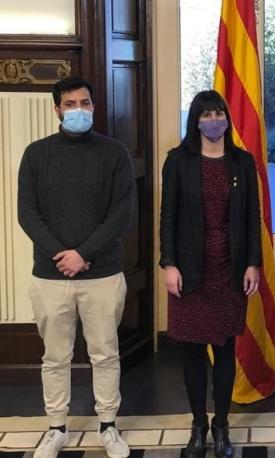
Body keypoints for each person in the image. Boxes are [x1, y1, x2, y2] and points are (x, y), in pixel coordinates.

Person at [17, 77, 134, 458]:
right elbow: (27, 214)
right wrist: (62, 255)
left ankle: (108, 426)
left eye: (86, 103)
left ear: (94, 107)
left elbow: (120, 213)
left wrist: (83, 253)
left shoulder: (114, 154)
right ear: (57, 110)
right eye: (71, 104)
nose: (79, 110)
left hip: (103, 274)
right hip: (50, 276)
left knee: (105, 353)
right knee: (55, 357)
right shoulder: (36, 154)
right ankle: (55, 427)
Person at [159, 90, 261, 458]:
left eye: (218, 113)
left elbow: (253, 217)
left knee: (224, 348)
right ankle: (198, 425)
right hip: (189, 271)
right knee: (191, 353)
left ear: (227, 118)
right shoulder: (178, 161)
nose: (213, 120)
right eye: (206, 114)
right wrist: (168, 263)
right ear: (195, 120)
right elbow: (167, 216)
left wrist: (253, 263)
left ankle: (221, 426)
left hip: (229, 269)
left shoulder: (242, 162)